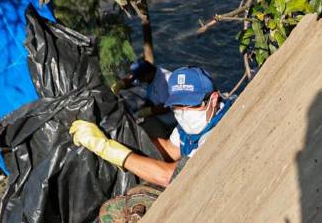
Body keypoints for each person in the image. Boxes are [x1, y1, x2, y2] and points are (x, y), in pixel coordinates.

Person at [69, 65, 231, 189]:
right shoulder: (192, 126)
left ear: (214, 99)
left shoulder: (217, 131)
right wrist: (122, 140)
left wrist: (109, 150)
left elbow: (170, 176)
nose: (183, 113)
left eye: (191, 105)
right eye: (177, 106)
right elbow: (169, 149)